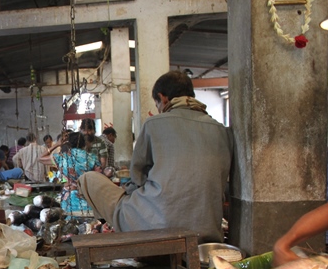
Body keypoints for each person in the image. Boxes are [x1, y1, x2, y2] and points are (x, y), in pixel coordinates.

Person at [78, 70, 233, 243]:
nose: (159, 109)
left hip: (155, 228)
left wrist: (128, 193)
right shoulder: (221, 130)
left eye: (157, 104)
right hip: (206, 232)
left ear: (162, 98)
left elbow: (138, 177)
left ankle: (113, 228)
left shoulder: (153, 124)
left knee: (88, 179)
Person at [53, 132, 100, 215]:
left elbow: (40, 158)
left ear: (68, 143)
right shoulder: (92, 157)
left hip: (69, 199)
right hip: (87, 197)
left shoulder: (63, 157)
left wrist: (57, 144)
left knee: (69, 223)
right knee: (89, 225)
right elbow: (98, 176)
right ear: (84, 143)